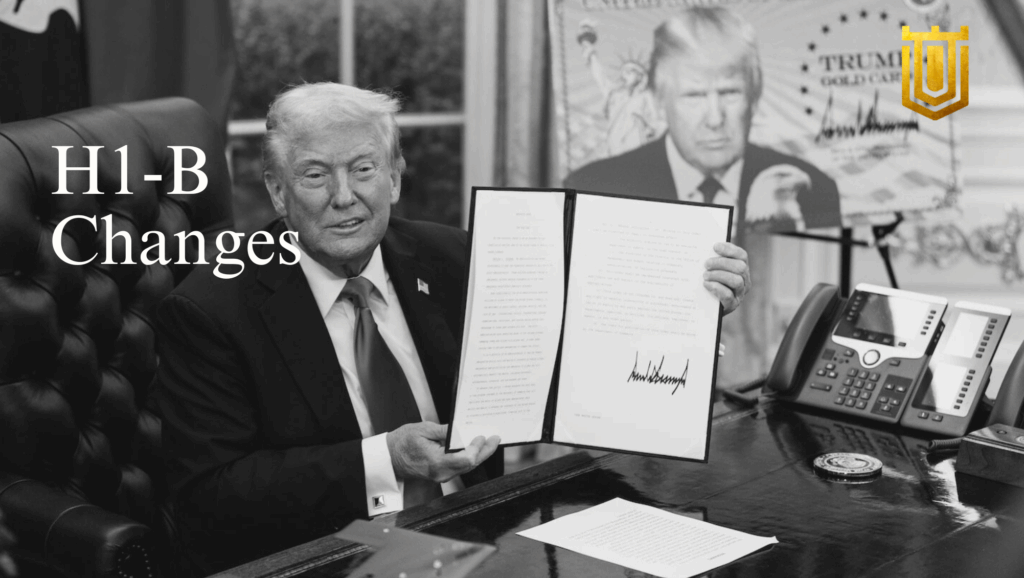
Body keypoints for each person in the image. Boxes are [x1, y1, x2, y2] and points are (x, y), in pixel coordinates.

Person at [156, 82, 751, 575]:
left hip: (476, 539)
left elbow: (576, 348)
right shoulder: (213, 309)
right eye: (314, 175)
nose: (344, 197)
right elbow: (209, 497)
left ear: (394, 176)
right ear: (278, 193)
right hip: (325, 556)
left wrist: (688, 310)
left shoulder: (455, 257)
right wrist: (384, 458)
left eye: (363, 168)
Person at [565, 6, 841, 238]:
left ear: (755, 96)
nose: (714, 119)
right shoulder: (595, 189)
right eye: (694, 96)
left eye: (730, 92)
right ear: (659, 102)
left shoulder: (812, 190)